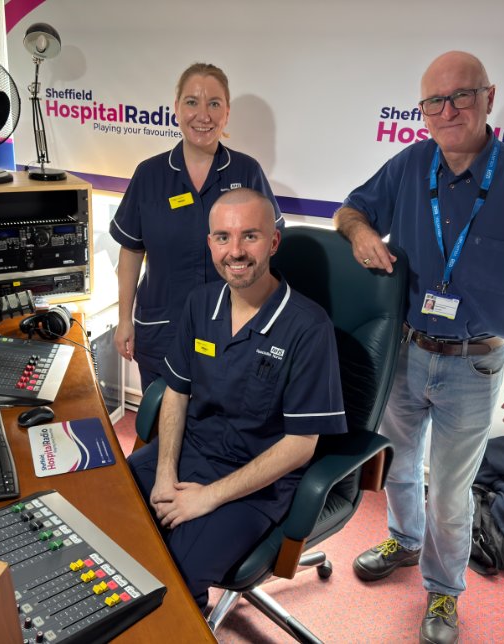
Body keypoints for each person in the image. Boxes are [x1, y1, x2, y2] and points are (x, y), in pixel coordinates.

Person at [333, 51, 504, 644]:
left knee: (452, 489)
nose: (448, 110)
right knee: (401, 467)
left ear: (489, 98)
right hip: (407, 353)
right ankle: (405, 543)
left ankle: (444, 593)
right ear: (423, 110)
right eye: (434, 101)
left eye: (461, 96)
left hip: (477, 363)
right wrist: (361, 234)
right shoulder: (412, 164)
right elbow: (350, 210)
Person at [128, 188, 346, 609]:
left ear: (273, 242)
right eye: (223, 237)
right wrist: (164, 473)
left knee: (172, 578)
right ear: (210, 243)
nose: (236, 251)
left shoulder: (308, 328)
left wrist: (207, 497)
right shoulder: (200, 303)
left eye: (250, 236)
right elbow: (176, 390)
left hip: (256, 486)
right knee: (107, 515)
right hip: (187, 455)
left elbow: (301, 445)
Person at [110, 63, 283, 392]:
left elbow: (268, 252)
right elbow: (131, 251)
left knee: (219, 431)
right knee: (161, 427)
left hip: (232, 334)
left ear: (227, 113)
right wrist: (124, 320)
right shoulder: (149, 175)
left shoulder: (248, 172)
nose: (203, 115)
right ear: (176, 109)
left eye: (214, 103)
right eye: (192, 102)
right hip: (162, 332)